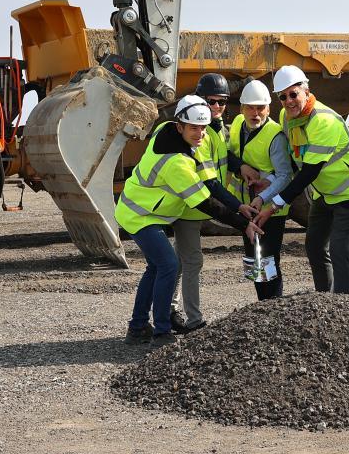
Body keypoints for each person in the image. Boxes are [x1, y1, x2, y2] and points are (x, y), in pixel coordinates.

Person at [115, 95, 262, 345]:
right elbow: (206, 203)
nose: (200, 134)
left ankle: (137, 327)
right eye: (194, 128)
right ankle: (161, 332)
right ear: (180, 125)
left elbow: (211, 183)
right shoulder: (177, 164)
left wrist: (238, 206)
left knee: (156, 267)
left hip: (137, 209)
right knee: (169, 265)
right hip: (140, 216)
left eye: (203, 128)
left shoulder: (166, 129)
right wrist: (242, 223)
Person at [255, 65, 349, 294]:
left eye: (293, 94)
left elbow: (308, 172)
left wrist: (274, 204)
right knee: (314, 247)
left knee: (339, 250)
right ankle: (323, 297)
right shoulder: (284, 118)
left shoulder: (323, 121)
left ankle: (342, 305)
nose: (288, 101)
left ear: (306, 91)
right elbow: (292, 157)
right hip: (321, 193)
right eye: (283, 96)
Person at [171, 73, 235, 333]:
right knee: (193, 261)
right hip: (191, 207)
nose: (217, 107)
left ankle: (168, 309)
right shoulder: (199, 133)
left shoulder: (215, 129)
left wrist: (244, 169)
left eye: (222, 102)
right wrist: (237, 212)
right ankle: (195, 321)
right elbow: (209, 181)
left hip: (199, 207)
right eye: (212, 101)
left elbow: (225, 158)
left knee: (177, 263)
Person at [226, 80, 293, 299]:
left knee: (268, 259)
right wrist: (240, 166)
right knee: (253, 258)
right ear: (242, 108)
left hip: (270, 210)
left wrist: (263, 196)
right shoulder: (237, 123)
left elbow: (285, 175)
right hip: (246, 207)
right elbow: (228, 155)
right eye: (251, 107)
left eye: (260, 108)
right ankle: (262, 305)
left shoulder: (275, 135)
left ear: (268, 109)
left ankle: (272, 306)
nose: (256, 113)